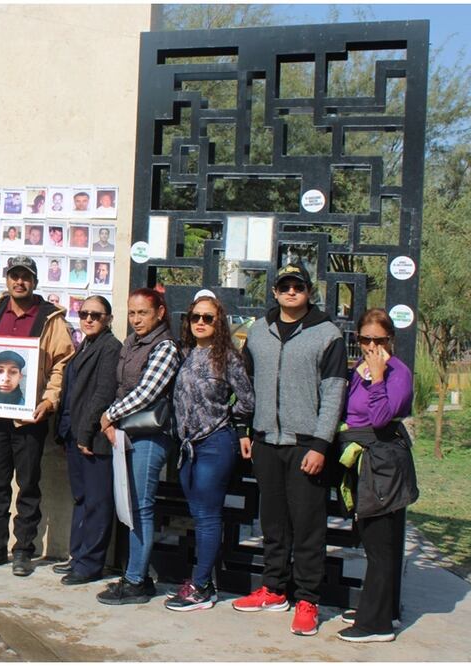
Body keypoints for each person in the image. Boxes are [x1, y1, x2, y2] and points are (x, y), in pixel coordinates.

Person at [232, 263, 347, 637]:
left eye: (298, 286)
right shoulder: (258, 332)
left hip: (305, 445)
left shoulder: (327, 334)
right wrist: (244, 428)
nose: (291, 291)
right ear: (275, 292)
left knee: (308, 526)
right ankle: (274, 589)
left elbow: (334, 393)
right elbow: (246, 385)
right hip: (266, 441)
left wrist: (321, 443)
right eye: (285, 286)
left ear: (309, 291)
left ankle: (308, 599)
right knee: (273, 524)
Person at [0, 256, 76, 576]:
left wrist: (49, 400)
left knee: (28, 486)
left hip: (29, 417)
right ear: (6, 279)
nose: (20, 282)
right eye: (14, 276)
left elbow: (62, 364)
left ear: (35, 282)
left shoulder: (49, 318)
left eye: (26, 277)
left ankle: (23, 551)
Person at [164, 295, 254, 611]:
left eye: (208, 318)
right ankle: (205, 581)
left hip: (215, 443)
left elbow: (247, 400)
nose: (200, 322)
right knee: (198, 513)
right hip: (187, 446)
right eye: (195, 317)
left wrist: (227, 420)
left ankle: (200, 587)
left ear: (219, 323)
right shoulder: (185, 354)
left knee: (207, 515)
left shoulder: (228, 357)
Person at [96, 288, 180, 604]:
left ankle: (136, 582)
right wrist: (113, 421)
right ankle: (136, 575)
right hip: (128, 431)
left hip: (151, 435)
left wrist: (110, 414)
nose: (136, 319)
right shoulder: (132, 342)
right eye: (132, 313)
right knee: (131, 505)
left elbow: (147, 392)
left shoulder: (165, 347)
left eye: (143, 313)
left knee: (141, 507)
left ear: (160, 312)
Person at [335, 308, 415, 643]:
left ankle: (376, 625)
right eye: (365, 339)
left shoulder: (397, 373)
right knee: (373, 540)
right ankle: (379, 610)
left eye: (378, 340)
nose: (371, 346)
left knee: (381, 544)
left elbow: (381, 418)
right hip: (361, 459)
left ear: (390, 339)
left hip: (383, 462)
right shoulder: (359, 369)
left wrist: (379, 378)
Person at [53, 295, 121, 585]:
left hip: (93, 438)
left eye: (96, 315)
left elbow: (103, 393)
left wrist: (85, 432)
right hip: (74, 434)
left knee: (97, 501)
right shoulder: (85, 345)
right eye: (84, 314)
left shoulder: (111, 347)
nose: (89, 319)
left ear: (108, 319)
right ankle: (78, 556)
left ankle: (90, 564)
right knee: (82, 498)